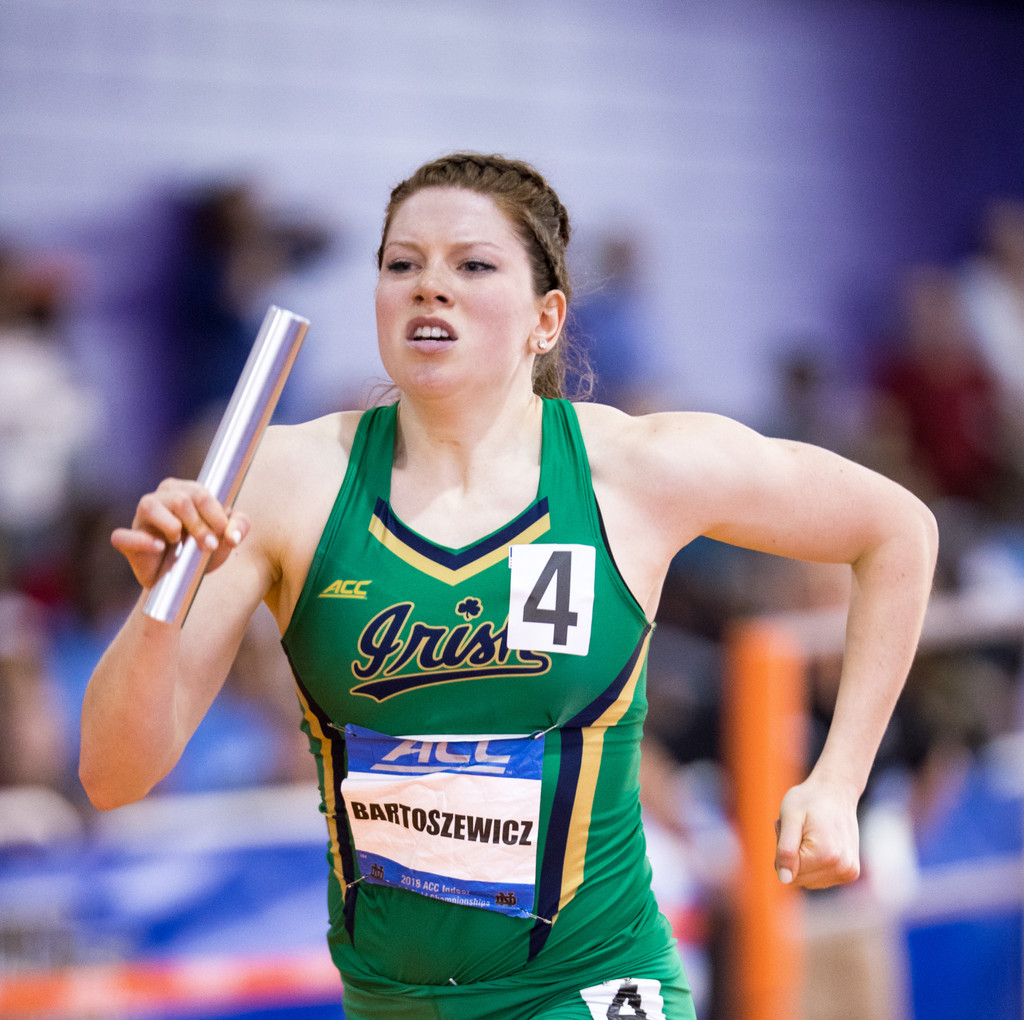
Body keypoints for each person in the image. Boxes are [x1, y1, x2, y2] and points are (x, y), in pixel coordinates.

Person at [79, 153, 938, 1020]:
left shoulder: (636, 471)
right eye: (402, 264)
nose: (429, 286)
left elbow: (897, 530)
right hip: (392, 1004)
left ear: (545, 318)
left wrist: (838, 781)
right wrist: (159, 606)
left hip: (593, 986)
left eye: (473, 265)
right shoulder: (286, 480)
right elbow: (114, 776)